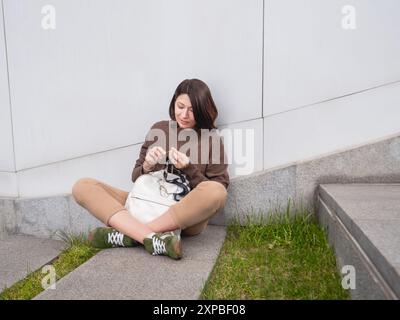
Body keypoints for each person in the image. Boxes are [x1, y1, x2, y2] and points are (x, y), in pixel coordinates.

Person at [71, 79, 230, 260]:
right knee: (83, 186)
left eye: (192, 109)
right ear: (173, 103)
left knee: (216, 191)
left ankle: (130, 234)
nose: (184, 114)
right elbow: (135, 175)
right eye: (180, 106)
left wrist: (188, 168)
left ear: (202, 109)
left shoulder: (212, 140)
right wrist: (147, 165)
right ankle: (153, 238)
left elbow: (218, 190)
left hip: (182, 214)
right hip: (146, 202)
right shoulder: (159, 128)